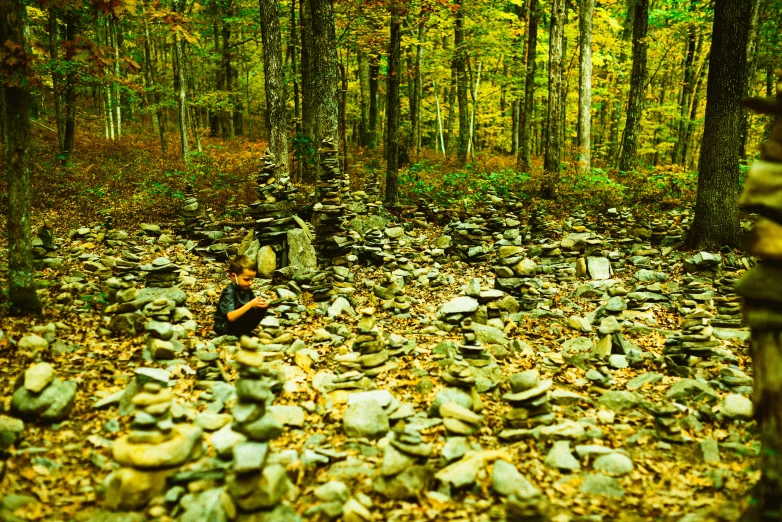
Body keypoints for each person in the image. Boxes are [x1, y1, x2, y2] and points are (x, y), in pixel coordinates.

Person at [213, 255, 269, 337]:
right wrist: (250, 304)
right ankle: (237, 333)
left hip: (238, 324)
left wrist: (269, 304)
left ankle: (244, 331)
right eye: (246, 279)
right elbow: (230, 317)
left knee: (261, 308)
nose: (250, 283)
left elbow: (255, 305)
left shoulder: (247, 289)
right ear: (233, 276)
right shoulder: (229, 292)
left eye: (252, 279)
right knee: (250, 307)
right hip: (224, 326)